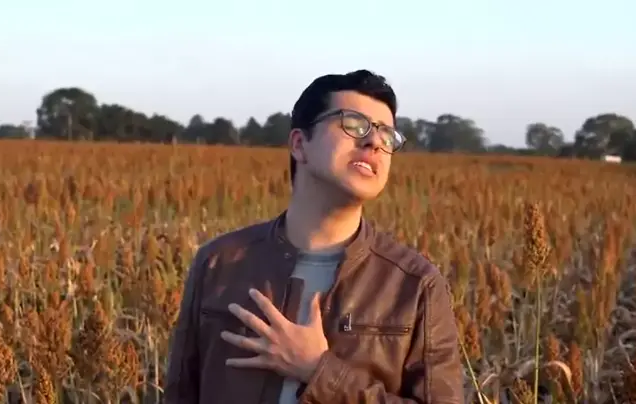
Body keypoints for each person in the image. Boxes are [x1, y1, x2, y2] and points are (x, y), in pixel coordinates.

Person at [164, 69, 464, 403]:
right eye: (354, 124)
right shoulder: (218, 263)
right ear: (299, 144)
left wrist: (319, 371)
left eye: (387, 135)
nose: (374, 142)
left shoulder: (415, 285)